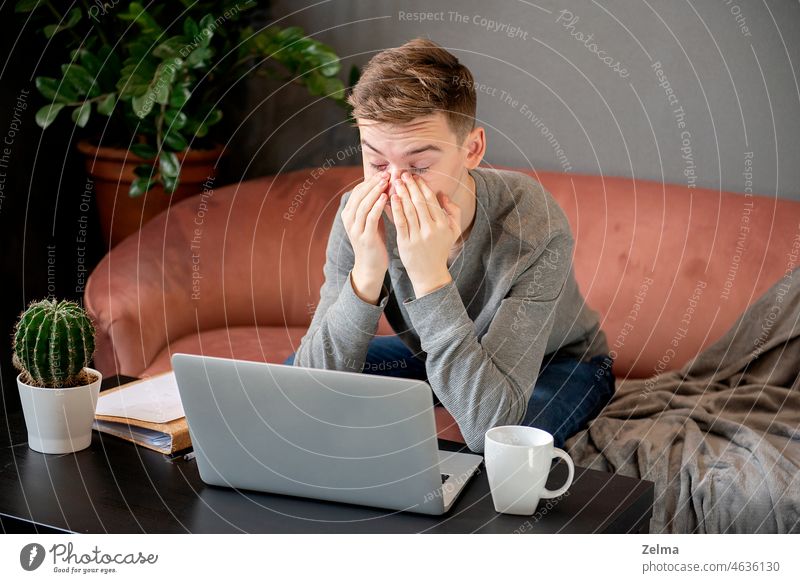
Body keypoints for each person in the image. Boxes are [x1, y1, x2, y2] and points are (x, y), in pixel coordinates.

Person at [284, 38, 615, 453]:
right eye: (377, 163)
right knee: (293, 373)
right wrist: (366, 273)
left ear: (472, 149)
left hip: (562, 362)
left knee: (502, 443)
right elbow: (309, 388)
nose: (395, 185)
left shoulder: (531, 222)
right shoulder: (360, 212)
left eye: (420, 166)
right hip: (438, 353)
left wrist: (429, 276)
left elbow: (488, 425)